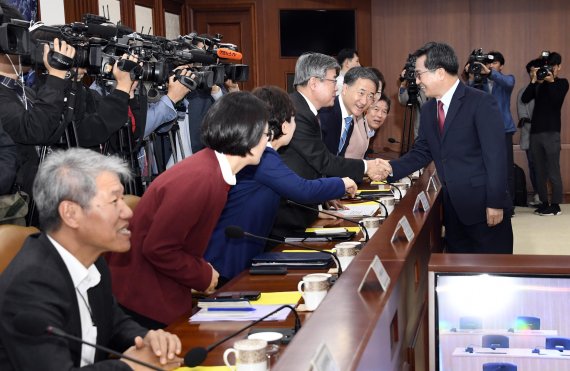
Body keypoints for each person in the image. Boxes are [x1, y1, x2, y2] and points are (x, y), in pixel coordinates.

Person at [0, 148, 182, 370]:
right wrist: (130, 367)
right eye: (115, 201)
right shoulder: (31, 285)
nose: (128, 212)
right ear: (71, 213)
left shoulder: (91, 260)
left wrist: (147, 338)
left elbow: (112, 321)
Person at [108, 91, 270, 328]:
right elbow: (159, 248)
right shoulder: (200, 179)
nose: (268, 141)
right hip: (144, 301)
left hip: (160, 292)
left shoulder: (210, 170)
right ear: (247, 134)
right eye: (266, 134)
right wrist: (202, 275)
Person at [205, 86, 357, 283]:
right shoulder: (263, 156)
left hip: (240, 250)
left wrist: (314, 210)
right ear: (285, 126)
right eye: (294, 119)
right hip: (228, 255)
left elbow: (280, 194)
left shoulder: (265, 154)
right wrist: (341, 182)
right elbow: (302, 190)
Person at [385, 42, 513, 254]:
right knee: (457, 273)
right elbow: (422, 151)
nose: (416, 81)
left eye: (419, 74)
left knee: (493, 272)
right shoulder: (428, 110)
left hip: (485, 207)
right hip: (453, 208)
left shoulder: (480, 102)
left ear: (440, 72)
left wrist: (495, 202)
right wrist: (389, 169)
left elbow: (496, 157)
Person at [271, 52, 390, 237]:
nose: (337, 87)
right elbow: (323, 161)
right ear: (313, 83)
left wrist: (325, 193)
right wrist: (366, 167)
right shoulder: (297, 112)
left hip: (305, 207)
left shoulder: (310, 111)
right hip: (289, 213)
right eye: (334, 80)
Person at [465, 50, 517, 216]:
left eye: (494, 63)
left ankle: (509, 206)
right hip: (483, 132)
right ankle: (488, 202)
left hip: (503, 130)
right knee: (486, 168)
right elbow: (467, 94)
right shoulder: (480, 82)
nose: (490, 65)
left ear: (501, 66)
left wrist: (490, 73)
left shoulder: (506, 79)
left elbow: (508, 83)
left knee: (507, 169)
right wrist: (472, 77)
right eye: (488, 63)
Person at [319, 66, 379, 156]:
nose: (364, 101)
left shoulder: (349, 118)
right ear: (345, 89)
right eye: (361, 93)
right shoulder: (325, 113)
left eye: (370, 96)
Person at [517, 59, 540, 206]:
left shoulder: (550, 88)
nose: (535, 73)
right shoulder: (523, 92)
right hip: (530, 135)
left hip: (548, 135)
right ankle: (538, 194)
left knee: (547, 166)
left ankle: (548, 196)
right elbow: (523, 116)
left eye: (537, 69)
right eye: (532, 70)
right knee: (533, 165)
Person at [345, 93, 391, 160]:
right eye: (376, 109)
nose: (380, 115)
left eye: (384, 111)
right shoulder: (354, 127)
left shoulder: (367, 130)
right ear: (365, 109)